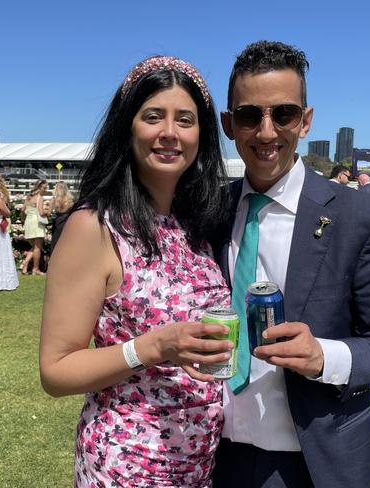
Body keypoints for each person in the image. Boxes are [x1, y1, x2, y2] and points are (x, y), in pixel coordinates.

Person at [213, 41, 370, 488]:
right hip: (214, 455)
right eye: (249, 115)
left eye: (282, 114)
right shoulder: (207, 212)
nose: (266, 132)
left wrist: (325, 355)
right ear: (229, 124)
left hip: (313, 462)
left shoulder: (360, 217)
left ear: (305, 121)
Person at [40, 55, 232, 487]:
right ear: (128, 127)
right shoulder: (94, 226)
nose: (169, 132)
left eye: (185, 119)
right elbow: (55, 371)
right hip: (127, 465)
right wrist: (151, 347)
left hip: (201, 466)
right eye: (153, 117)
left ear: (202, 133)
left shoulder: (197, 225)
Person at [20, 179, 48, 275]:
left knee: (34, 247)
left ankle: (25, 264)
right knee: (37, 248)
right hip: (37, 222)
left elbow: (22, 211)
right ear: (39, 188)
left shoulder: (29, 197)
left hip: (28, 222)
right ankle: (35, 269)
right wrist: (48, 211)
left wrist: (23, 221)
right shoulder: (40, 197)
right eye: (44, 188)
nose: (46, 189)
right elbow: (41, 212)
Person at [48, 180, 74, 254]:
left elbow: (49, 212)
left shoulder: (55, 200)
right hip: (68, 222)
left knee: (56, 244)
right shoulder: (70, 199)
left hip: (58, 222)